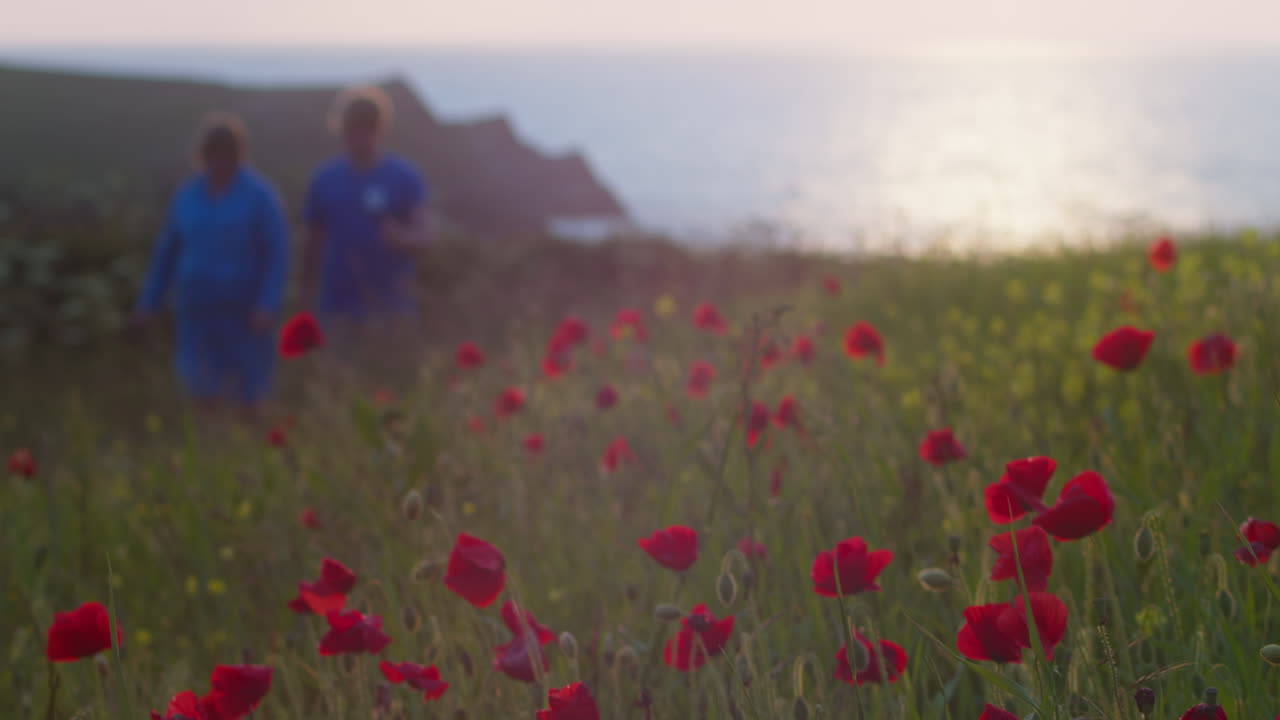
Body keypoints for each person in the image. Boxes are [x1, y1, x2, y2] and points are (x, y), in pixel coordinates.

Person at [133, 112, 290, 414]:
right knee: (199, 387)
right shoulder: (188, 196)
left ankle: (251, 447)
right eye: (212, 155)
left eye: (226, 156)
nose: (219, 163)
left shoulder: (260, 196)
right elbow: (167, 252)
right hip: (197, 310)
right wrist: (148, 302)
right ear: (202, 156)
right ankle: (208, 451)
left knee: (250, 393)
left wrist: (268, 303)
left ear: (238, 155)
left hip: (245, 313)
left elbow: (277, 253)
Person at [301, 86, 429, 364]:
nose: (360, 135)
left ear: (380, 128)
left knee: (392, 386)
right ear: (341, 129)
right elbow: (311, 245)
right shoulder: (325, 180)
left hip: (393, 306)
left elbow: (425, 235)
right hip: (337, 307)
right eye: (353, 127)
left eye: (367, 127)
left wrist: (401, 238)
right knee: (341, 386)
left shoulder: (404, 177)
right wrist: (305, 300)